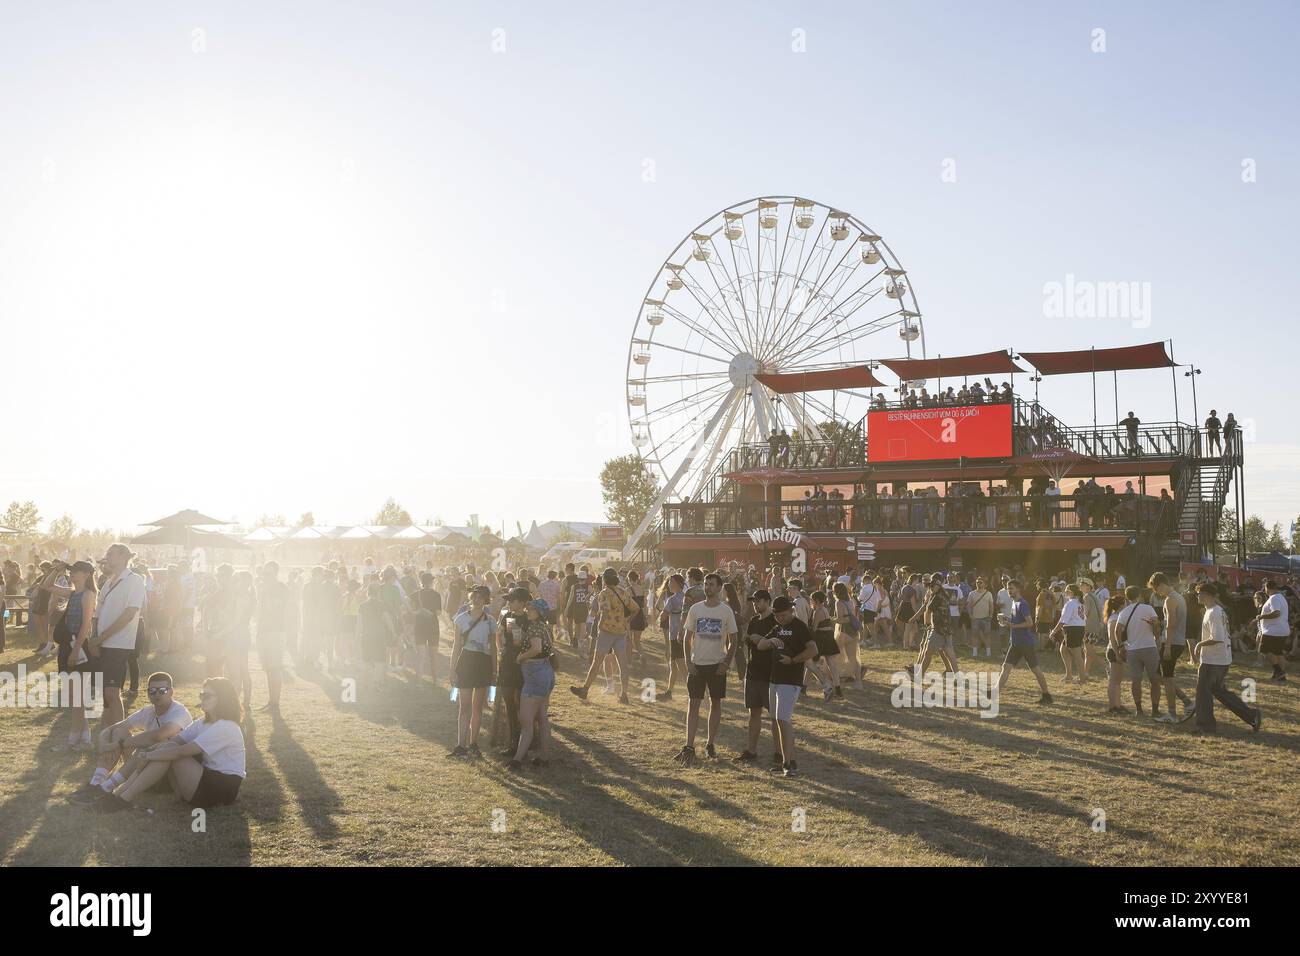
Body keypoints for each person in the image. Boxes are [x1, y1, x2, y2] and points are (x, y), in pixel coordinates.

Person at [95, 677, 246, 814]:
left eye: (207, 696)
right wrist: (150, 751)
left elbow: (181, 752)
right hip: (202, 779)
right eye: (201, 695)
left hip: (221, 788)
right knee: (166, 746)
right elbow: (176, 740)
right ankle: (118, 794)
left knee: (169, 750)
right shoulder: (203, 722)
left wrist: (147, 755)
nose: (202, 698)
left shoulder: (226, 726)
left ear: (223, 699)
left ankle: (122, 798)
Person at [70, 671, 192, 804]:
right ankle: (96, 782)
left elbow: (158, 736)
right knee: (118, 732)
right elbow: (115, 728)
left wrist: (119, 744)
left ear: (171, 692)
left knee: (146, 748)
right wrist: (102, 739)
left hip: (167, 774)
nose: (157, 694)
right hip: (144, 766)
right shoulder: (148, 711)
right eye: (152, 691)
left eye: (162, 690)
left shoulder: (180, 712)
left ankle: (107, 787)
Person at [674, 572, 737, 765]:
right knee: (693, 704)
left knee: (715, 703)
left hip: (717, 664)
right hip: (697, 664)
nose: (708, 587)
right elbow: (686, 638)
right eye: (706, 584)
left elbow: (734, 639)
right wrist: (688, 662)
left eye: (712, 584)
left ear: (719, 588)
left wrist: (726, 663)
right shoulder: (695, 609)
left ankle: (710, 743)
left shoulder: (726, 611)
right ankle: (689, 746)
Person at [86, 544, 146, 731]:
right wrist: (93, 638)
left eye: (110, 554)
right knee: (105, 693)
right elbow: (97, 614)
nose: (107, 557)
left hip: (118, 644)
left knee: (112, 692)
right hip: (102, 643)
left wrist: (101, 637)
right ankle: (107, 732)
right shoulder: (108, 581)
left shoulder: (134, 580)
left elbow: (129, 614)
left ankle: (120, 735)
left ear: (123, 557)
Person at [1191, 583, 1262, 734]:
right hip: (1220, 659)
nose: (1197, 596)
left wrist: (1199, 645)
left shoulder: (1214, 613)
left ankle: (1205, 726)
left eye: (1199, 593)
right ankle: (1251, 715)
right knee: (1220, 692)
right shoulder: (1214, 611)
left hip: (1213, 660)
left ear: (1207, 595)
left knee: (1203, 693)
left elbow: (1217, 637)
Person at [762, 595, 818, 777]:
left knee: (784, 721)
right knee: (777, 720)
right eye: (777, 615)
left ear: (791, 611)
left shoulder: (799, 627)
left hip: (790, 680)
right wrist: (770, 641)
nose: (780, 619)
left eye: (784, 615)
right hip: (774, 679)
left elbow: (813, 649)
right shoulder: (778, 627)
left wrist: (793, 660)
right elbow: (761, 644)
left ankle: (789, 764)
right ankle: (788, 759)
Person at [569, 569, 635, 704]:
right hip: (620, 632)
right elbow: (636, 608)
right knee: (623, 664)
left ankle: (585, 689)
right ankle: (624, 694)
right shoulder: (623, 592)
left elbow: (604, 612)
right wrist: (626, 621)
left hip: (607, 631)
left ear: (604, 579)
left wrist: (599, 627)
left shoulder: (604, 593)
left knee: (597, 661)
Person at [508, 599, 556, 770]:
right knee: (542, 718)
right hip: (546, 672)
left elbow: (535, 648)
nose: (528, 610)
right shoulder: (544, 626)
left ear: (539, 613)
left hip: (535, 675)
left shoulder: (535, 626)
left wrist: (520, 657)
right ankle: (544, 757)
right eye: (528, 608)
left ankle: (517, 760)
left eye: (532, 609)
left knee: (526, 721)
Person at [448, 585, 495, 758]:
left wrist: (494, 670)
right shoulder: (460, 619)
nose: (477, 600)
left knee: (477, 707)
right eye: (474, 596)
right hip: (466, 661)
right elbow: (456, 645)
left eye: (481, 597)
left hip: (483, 662)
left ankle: (473, 743)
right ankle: (460, 745)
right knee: (464, 706)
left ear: (486, 600)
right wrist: (452, 669)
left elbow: (494, 648)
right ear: (470, 597)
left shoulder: (490, 621)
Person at [733, 589, 776, 764]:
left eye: (758, 601)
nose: (755, 604)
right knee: (754, 714)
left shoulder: (775, 621)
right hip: (752, 672)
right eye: (753, 601)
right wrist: (755, 639)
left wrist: (758, 639)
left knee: (775, 716)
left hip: (770, 674)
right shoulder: (753, 621)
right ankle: (751, 750)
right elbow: (746, 639)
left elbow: (774, 644)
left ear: (767, 601)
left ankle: (779, 752)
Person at [995, 580, 1053, 704]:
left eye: (1011, 588)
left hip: (1025, 643)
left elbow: (1029, 622)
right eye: (1008, 588)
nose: (1009, 590)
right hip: (1016, 643)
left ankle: (1046, 695)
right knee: (1006, 667)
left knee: (1035, 669)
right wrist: (1006, 620)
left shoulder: (1022, 604)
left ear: (1018, 589)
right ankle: (995, 693)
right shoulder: (1014, 602)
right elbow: (1016, 620)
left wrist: (1013, 626)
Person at [1149, 572, 1194, 722]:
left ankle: (1172, 714)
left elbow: (1171, 625)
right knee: (1161, 676)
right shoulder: (1179, 597)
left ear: (1161, 584)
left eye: (1156, 589)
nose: (1156, 592)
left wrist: (1167, 647)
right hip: (1177, 641)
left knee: (1167, 678)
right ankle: (1186, 702)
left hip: (1172, 642)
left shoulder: (1170, 600)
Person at [1116, 586, 1163, 717]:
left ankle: (1139, 710)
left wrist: (1121, 646)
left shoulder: (1124, 612)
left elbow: (1117, 630)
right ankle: (1155, 709)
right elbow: (1157, 625)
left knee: (1136, 681)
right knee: (1155, 680)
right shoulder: (1148, 608)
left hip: (1132, 649)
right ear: (1140, 596)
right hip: (1149, 647)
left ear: (1127, 597)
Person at [255, 561, 289, 714]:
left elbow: (273, 607)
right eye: (264, 573)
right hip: (264, 630)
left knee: (274, 667)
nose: (264, 576)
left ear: (275, 573)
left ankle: (275, 703)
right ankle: (271, 701)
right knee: (268, 668)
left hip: (276, 631)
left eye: (267, 573)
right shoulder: (264, 588)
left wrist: (265, 591)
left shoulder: (280, 588)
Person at [655, 573, 686, 701]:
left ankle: (694, 692)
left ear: (678, 584)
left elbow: (663, 616)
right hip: (685, 635)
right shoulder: (686, 598)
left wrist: (658, 618)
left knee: (681, 667)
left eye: (671, 582)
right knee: (673, 665)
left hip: (675, 635)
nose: (669, 584)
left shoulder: (672, 599)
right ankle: (669, 692)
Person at [1253, 580, 1290, 682]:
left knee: (1264, 650)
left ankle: (1279, 671)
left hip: (1273, 630)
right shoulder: (1280, 597)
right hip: (1281, 629)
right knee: (1278, 653)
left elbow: (1276, 613)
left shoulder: (1274, 598)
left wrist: (1261, 616)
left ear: (1267, 588)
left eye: (1264, 588)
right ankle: (1281, 676)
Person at [1052, 584, 1087, 682]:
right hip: (1077, 628)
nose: (1065, 591)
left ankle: (1082, 678)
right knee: (1063, 650)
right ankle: (1069, 675)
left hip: (1073, 629)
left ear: (1071, 592)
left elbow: (1063, 621)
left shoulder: (1070, 603)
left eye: (1066, 590)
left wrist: (1054, 631)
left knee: (1077, 655)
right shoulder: (1079, 602)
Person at [832, 581, 862, 692]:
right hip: (853, 632)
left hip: (843, 632)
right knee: (854, 658)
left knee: (834, 657)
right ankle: (858, 682)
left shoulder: (838, 603)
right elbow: (852, 616)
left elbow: (841, 619)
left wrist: (832, 620)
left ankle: (835, 678)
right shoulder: (850, 601)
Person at [1103, 593, 1129, 713]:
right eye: (1125, 603)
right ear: (1121, 605)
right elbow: (1112, 640)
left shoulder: (1117, 617)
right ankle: (1114, 706)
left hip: (1115, 651)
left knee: (1116, 681)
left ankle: (1117, 705)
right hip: (1114, 651)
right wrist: (1118, 654)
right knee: (1114, 681)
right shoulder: (1114, 619)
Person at [967, 576, 994, 657]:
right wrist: (970, 615)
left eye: (980, 582)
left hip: (986, 618)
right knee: (974, 635)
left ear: (985, 584)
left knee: (987, 635)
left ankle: (988, 652)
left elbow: (991, 605)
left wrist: (991, 615)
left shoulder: (989, 593)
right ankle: (974, 652)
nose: (978, 584)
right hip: (975, 618)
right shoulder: (971, 593)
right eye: (977, 582)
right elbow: (968, 605)